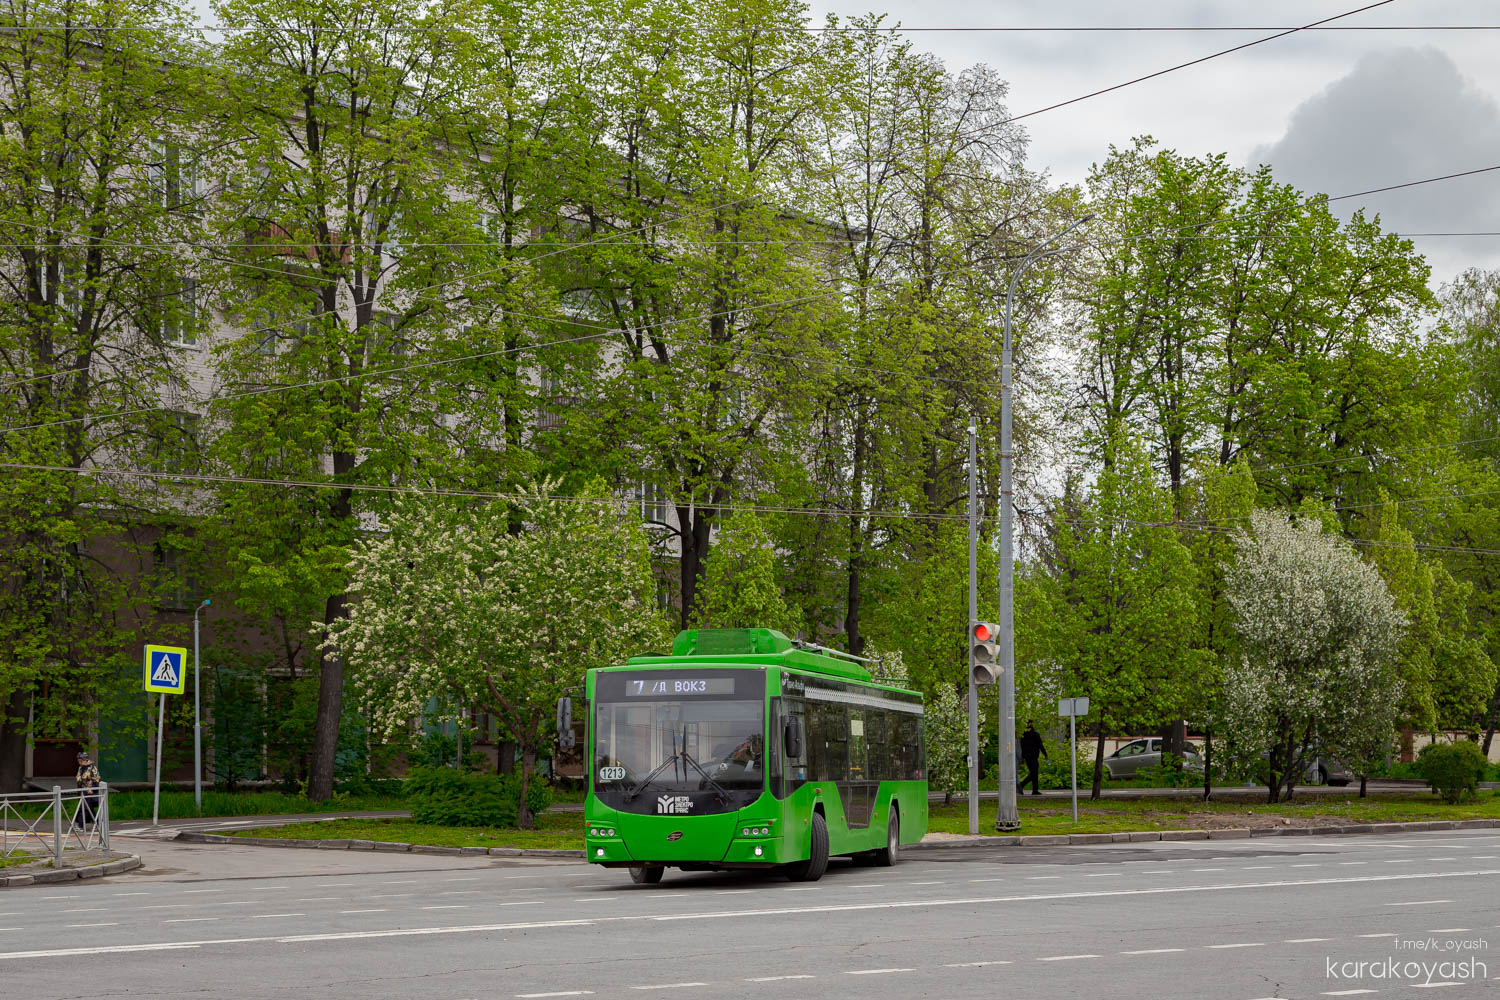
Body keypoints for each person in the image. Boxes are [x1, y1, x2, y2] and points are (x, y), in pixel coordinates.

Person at [1018, 722, 1047, 796]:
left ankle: (1035, 790)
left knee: (1033, 772)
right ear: (1032, 725)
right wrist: (1045, 754)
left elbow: (1022, 747)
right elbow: (1040, 745)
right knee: (1034, 773)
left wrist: (1023, 757)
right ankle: (1021, 784)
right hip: (1033, 756)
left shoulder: (1023, 735)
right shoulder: (1035, 734)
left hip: (1027, 757)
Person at [75, 750, 100, 824]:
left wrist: (92, 790)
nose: (79, 762)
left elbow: (96, 779)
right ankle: (98, 823)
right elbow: (79, 780)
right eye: (79, 760)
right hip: (82, 792)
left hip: (89, 793)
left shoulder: (92, 768)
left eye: (81, 760)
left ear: (86, 760)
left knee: (84, 808)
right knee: (88, 808)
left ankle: (80, 825)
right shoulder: (80, 768)